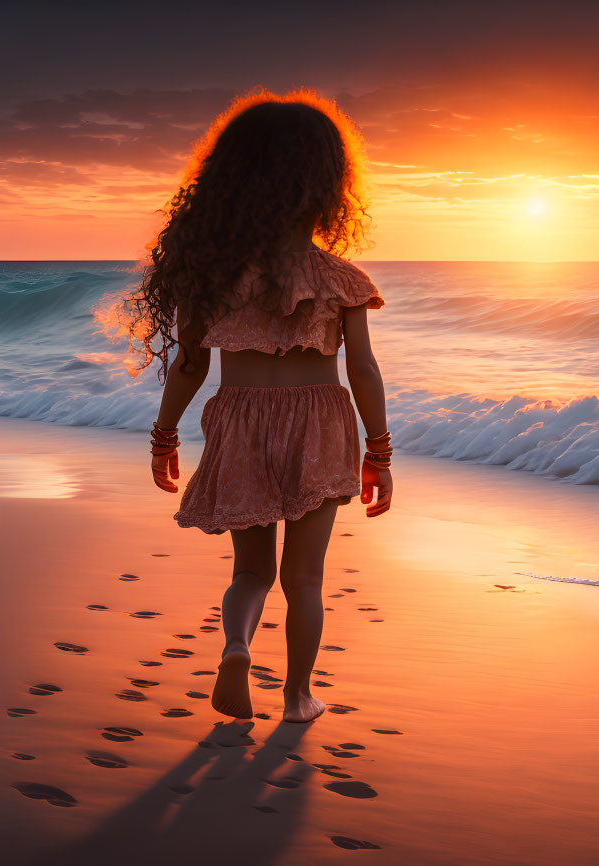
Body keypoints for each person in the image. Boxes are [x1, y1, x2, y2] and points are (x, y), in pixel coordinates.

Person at [125, 89, 392, 724]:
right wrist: (379, 451)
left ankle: (238, 647)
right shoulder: (341, 279)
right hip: (321, 423)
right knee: (306, 579)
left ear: (230, 183)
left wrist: (164, 436)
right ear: (327, 186)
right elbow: (363, 370)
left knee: (251, 572)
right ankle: (298, 698)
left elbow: (190, 365)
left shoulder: (210, 277)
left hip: (240, 419)